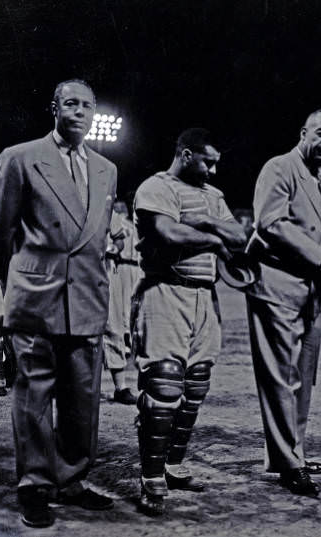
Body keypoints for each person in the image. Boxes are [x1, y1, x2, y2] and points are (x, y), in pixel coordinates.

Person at [0, 79, 117, 527]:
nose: (79, 112)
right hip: (34, 298)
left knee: (82, 399)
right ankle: (35, 485)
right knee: (32, 398)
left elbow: (96, 240)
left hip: (86, 298)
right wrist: (17, 285)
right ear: (54, 108)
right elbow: (1, 231)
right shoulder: (21, 157)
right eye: (71, 103)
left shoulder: (106, 169)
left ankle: (71, 479)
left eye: (87, 105)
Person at [131, 128, 246, 516]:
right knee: (164, 385)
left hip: (203, 293)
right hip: (165, 290)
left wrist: (210, 227)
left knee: (196, 385)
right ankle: (150, 479)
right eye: (206, 161)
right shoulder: (155, 187)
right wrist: (213, 235)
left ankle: (174, 465)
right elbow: (167, 232)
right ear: (184, 154)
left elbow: (239, 233)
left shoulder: (213, 196)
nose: (213, 170)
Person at [245, 109, 321, 496]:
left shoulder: (319, 180)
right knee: (281, 378)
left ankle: (291, 453)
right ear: (303, 132)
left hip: (310, 292)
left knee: (302, 379)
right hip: (277, 286)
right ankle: (289, 462)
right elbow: (270, 221)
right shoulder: (280, 167)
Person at [103, 200, 140, 404]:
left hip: (107, 272)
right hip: (75, 272)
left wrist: (113, 248)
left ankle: (120, 386)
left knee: (114, 326)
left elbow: (119, 239)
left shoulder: (109, 213)